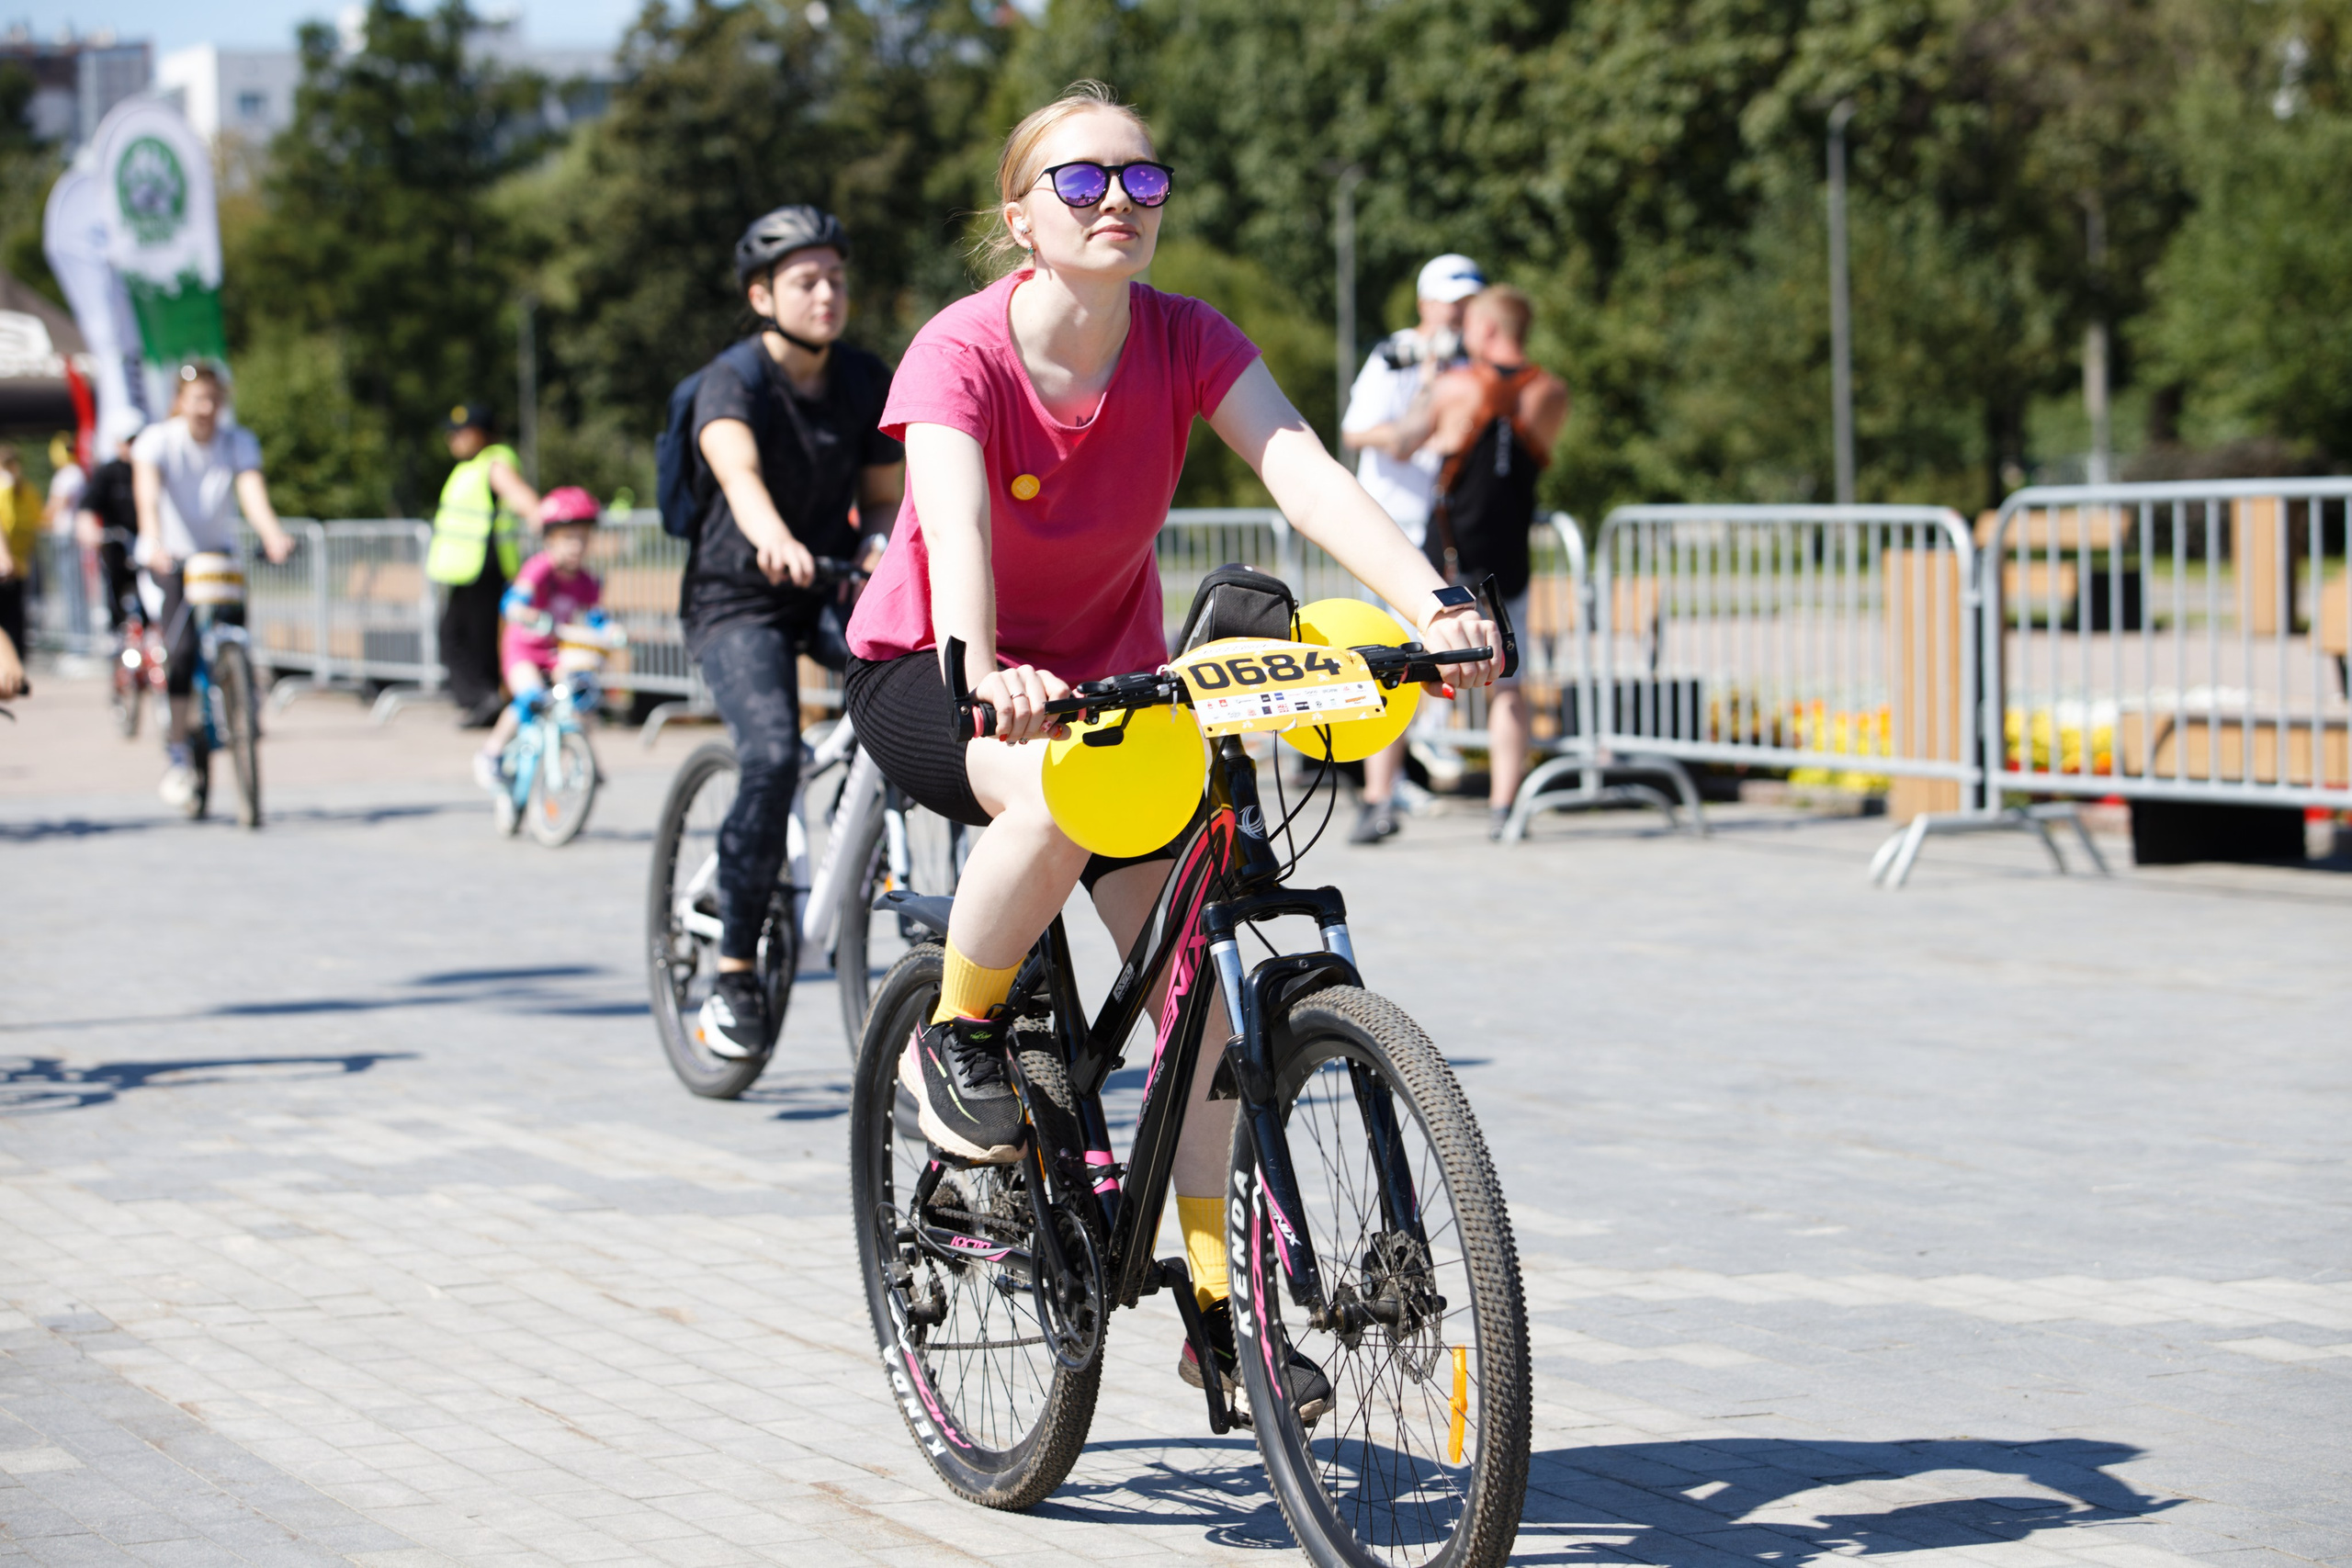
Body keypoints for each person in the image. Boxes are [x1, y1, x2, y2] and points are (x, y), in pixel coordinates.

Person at [840, 80, 1499, 1412]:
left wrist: (1431, 601)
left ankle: (1217, 1306)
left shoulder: (1187, 338)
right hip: (942, 677)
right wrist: (985, 668)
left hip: (1113, 696)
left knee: (1196, 1003)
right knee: (1049, 799)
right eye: (1083, 183)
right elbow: (955, 529)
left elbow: (1305, 470)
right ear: (1023, 215)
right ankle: (958, 1036)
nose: (1119, 206)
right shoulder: (957, 353)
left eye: (1143, 183)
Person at [684, 204, 905, 1059]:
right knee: (771, 756)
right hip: (737, 595)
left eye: (837, 279)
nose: (827, 294)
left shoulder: (860, 378)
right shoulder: (733, 381)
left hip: (832, 583)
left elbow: (882, 491)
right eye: (807, 281)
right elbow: (736, 471)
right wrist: (771, 536)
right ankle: (734, 972)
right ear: (761, 294)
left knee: (914, 695)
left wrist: (879, 540)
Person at [1337, 253, 1484, 844]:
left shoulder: (1471, 362)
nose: (1461, 314)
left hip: (1446, 527)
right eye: (1453, 303)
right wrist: (1427, 387)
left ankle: (1398, 782)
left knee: (1441, 650)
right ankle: (1382, 792)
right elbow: (1367, 434)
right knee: (1396, 658)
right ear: (1426, 303)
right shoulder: (1393, 355)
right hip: (1387, 531)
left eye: (1470, 303)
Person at [1419, 284, 1570, 839]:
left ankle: (1380, 796)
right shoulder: (1552, 392)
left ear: (1483, 330)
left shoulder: (1453, 385)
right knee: (1512, 682)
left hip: (1449, 557)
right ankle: (1505, 806)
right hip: (1509, 558)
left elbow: (1407, 440)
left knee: (1410, 670)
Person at [132, 363, 296, 808]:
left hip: (217, 557)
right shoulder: (158, 440)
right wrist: (153, 539)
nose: (206, 408)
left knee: (236, 635)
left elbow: (251, 491)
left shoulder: (236, 441)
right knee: (180, 652)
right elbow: (147, 495)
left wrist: (272, 534)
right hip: (173, 557)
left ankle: (240, 693)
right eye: (197, 399)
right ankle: (178, 752)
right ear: (180, 401)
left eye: (213, 398)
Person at [474, 485, 605, 786]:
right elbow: (513, 601)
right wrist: (525, 613)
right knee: (531, 697)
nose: (577, 546)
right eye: (569, 539)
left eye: (583, 539)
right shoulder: (540, 569)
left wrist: (610, 630)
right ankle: (491, 753)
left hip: (554, 651)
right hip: (523, 649)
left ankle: (579, 760)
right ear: (550, 540)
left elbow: (597, 615)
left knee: (581, 694)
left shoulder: (585, 580)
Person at [427, 404, 541, 728]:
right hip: (468, 568)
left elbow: (522, 498)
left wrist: (546, 521)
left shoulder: (494, 462)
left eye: (461, 432)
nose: (453, 438)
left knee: (471, 639)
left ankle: (486, 700)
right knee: (458, 637)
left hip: (485, 567)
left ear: (481, 433)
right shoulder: (474, 466)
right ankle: (484, 701)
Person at [77, 416, 144, 630]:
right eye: (129, 441)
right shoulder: (108, 472)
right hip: (118, 546)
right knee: (116, 591)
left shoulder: (151, 468)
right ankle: (119, 634)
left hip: (149, 545)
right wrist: (89, 529)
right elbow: (88, 504)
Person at [0, 446, 38, 666]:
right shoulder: (9, 488)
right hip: (9, 563)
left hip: (15, 565)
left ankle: (14, 665)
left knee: (13, 618)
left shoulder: (23, 490)